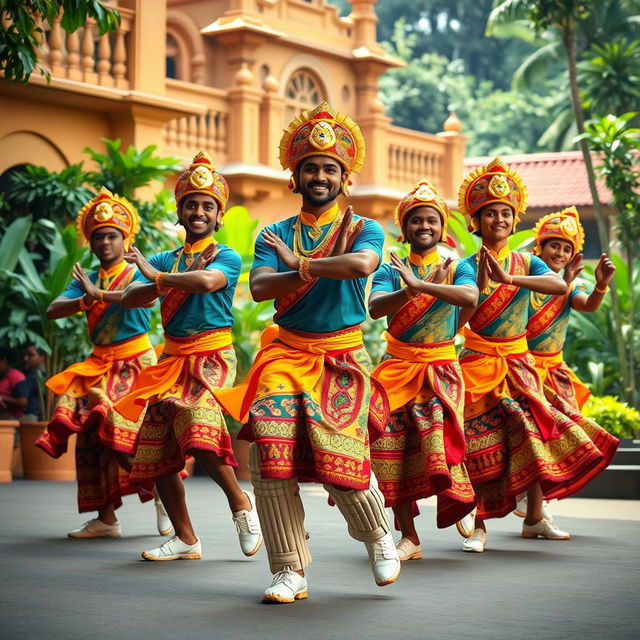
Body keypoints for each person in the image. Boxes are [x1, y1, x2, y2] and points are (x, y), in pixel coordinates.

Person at [215, 102, 400, 604]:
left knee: (338, 454)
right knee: (270, 452)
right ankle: (288, 569)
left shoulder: (366, 230)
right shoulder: (273, 232)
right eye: (310, 168)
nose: (320, 175)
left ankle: (378, 533)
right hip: (285, 353)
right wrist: (303, 268)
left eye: (330, 168)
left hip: (340, 357)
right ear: (295, 176)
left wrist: (299, 265)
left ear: (345, 178)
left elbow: (362, 265)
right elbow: (259, 288)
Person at [456, 158, 615, 552]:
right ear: (476, 221)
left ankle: (534, 517)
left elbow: (555, 286)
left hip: (519, 367)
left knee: (534, 438)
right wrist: (477, 285)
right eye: (489, 212)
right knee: (481, 444)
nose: (498, 218)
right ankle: (479, 526)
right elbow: (461, 317)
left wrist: (509, 279)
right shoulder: (462, 266)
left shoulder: (528, 263)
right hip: (478, 364)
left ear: (514, 222)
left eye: (505, 213)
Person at [114, 150, 262, 563]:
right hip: (171, 360)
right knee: (155, 447)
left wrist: (155, 277)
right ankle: (185, 538)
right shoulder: (164, 258)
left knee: (197, 424)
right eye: (191, 205)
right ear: (180, 213)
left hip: (211, 356)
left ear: (218, 217)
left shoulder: (224, 256)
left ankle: (241, 505)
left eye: (207, 206)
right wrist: (152, 277)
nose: (199, 211)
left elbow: (207, 281)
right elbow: (129, 296)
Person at [35, 188, 162, 538]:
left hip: (134, 362)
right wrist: (84, 299)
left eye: (112, 236)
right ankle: (106, 519)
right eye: (98, 237)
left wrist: (98, 297)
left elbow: (141, 303)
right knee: (88, 432)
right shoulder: (86, 279)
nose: (105, 242)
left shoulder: (137, 273)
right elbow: (52, 309)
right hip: (98, 364)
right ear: (91, 243)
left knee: (116, 430)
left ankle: (160, 492)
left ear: (125, 239)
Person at [368, 180, 478, 561]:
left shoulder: (456, 267)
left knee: (437, 438)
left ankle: (460, 498)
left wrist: (426, 286)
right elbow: (376, 307)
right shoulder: (390, 268)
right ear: (405, 229)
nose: (424, 226)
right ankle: (409, 537)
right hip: (397, 370)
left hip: (440, 371)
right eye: (416, 220)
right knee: (389, 450)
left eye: (431, 220)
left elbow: (470, 298)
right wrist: (410, 289)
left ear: (442, 228)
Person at [513, 206, 619, 519]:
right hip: (521, 373)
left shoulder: (573, 286)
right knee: (526, 440)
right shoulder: (523, 281)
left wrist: (600, 285)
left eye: (566, 248)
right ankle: (521, 505)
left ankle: (536, 511)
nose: (559, 252)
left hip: (554, 375)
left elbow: (587, 305)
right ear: (539, 248)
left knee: (556, 442)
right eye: (554, 245)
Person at [14, 343, 47, 421]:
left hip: (33, 417)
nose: (25, 358)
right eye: (25, 355)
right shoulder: (29, 373)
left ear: (42, 358)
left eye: (30, 355)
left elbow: (23, 400)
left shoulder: (45, 375)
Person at [0, 346, 26, 419]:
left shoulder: (16, 377)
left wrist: (2, 398)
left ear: (4, 360)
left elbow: (23, 402)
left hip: (13, 418)